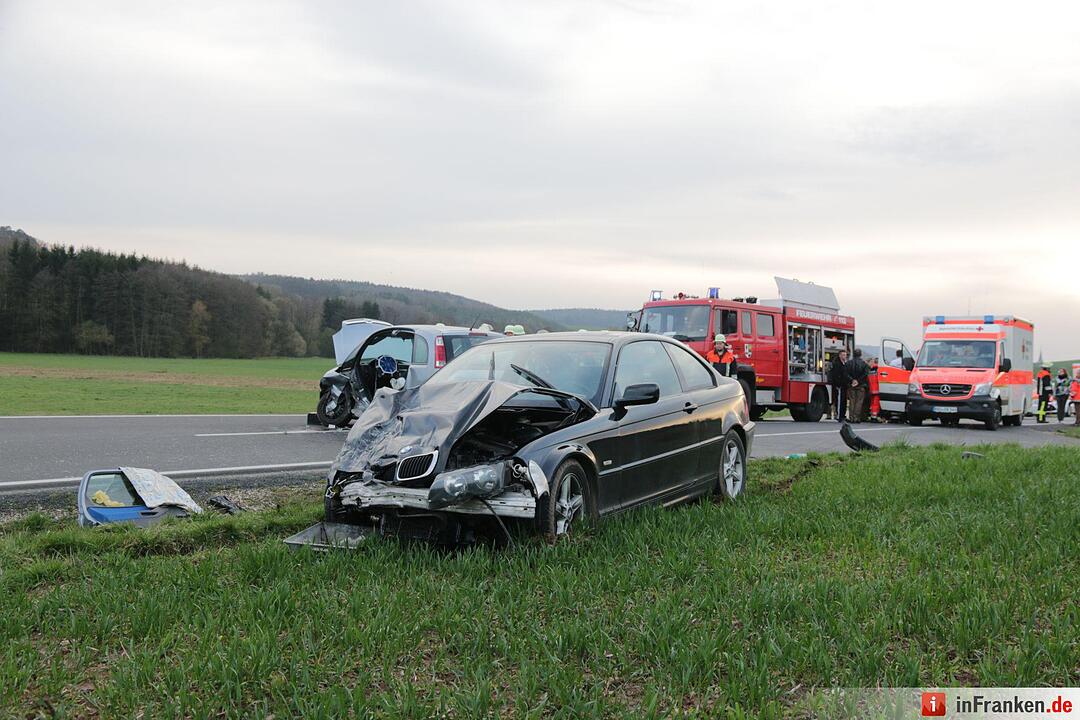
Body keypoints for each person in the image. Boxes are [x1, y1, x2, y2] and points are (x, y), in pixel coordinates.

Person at [846, 348, 871, 423]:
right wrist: (858, 381)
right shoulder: (864, 364)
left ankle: (851, 417)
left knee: (852, 401)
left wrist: (852, 380)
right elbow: (865, 374)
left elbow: (845, 373)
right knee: (859, 402)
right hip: (861, 385)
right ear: (860, 354)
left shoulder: (848, 363)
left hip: (851, 385)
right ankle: (856, 417)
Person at [828, 349, 849, 421]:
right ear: (839, 355)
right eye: (843, 355)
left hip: (844, 385)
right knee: (839, 401)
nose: (844, 356)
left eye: (845, 355)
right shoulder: (837, 364)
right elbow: (836, 375)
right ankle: (839, 415)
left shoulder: (845, 363)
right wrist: (837, 384)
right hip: (839, 385)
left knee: (843, 401)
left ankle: (842, 415)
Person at [868, 357, 881, 422]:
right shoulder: (878, 370)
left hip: (871, 389)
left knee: (872, 403)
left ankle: (872, 415)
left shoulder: (870, 370)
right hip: (877, 389)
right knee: (875, 404)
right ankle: (874, 416)